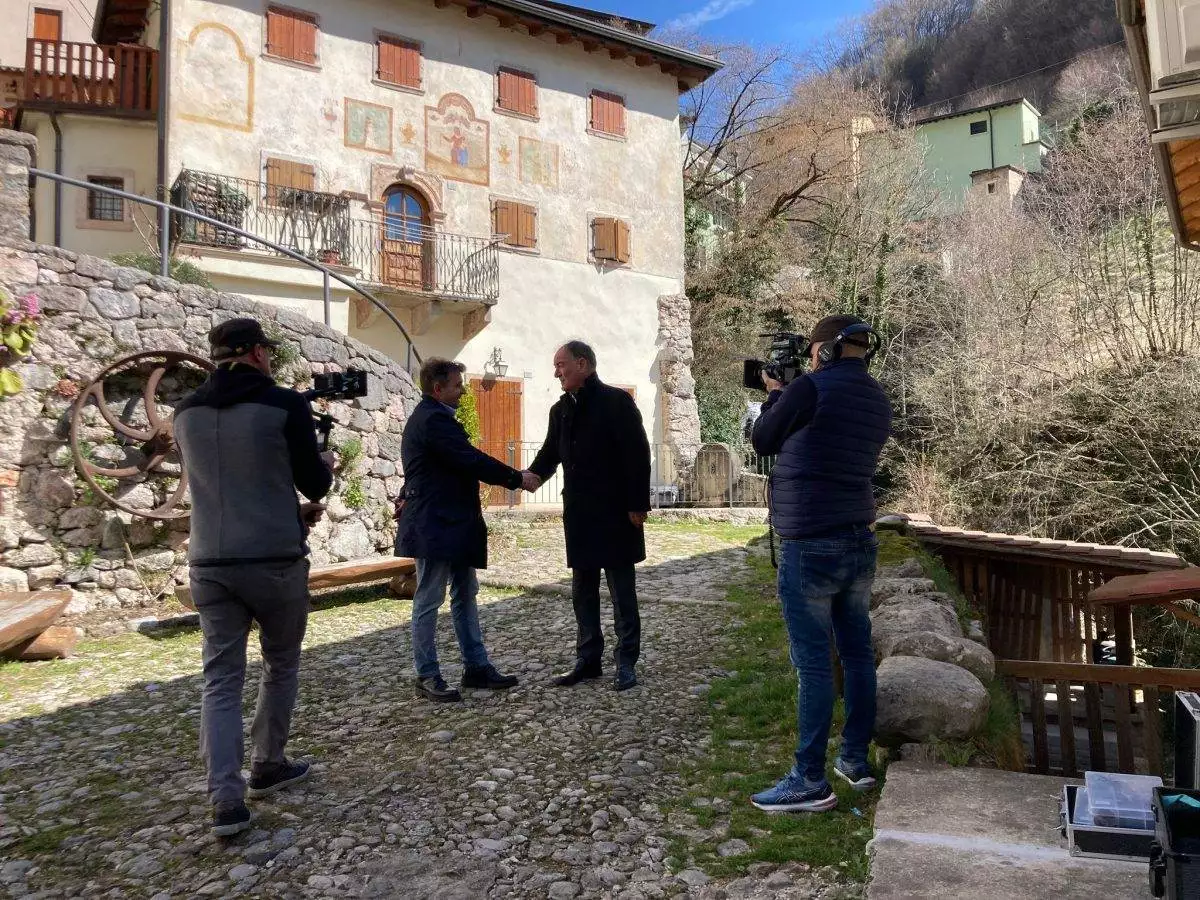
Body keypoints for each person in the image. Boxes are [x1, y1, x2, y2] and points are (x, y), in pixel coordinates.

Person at [173, 317, 335, 837]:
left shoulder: (184, 413)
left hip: (210, 562)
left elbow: (226, 481)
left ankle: (225, 799)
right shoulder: (284, 404)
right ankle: (268, 764)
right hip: (273, 558)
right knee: (280, 663)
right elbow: (313, 481)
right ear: (258, 354)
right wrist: (325, 460)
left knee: (220, 679)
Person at [748, 314, 892, 814]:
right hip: (859, 536)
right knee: (855, 653)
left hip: (811, 540)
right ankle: (854, 760)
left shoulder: (809, 388)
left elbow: (763, 440)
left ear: (824, 350)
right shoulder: (878, 397)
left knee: (812, 663)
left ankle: (809, 779)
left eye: (812, 352)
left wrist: (775, 394)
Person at [524, 341, 651, 692]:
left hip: (616, 514)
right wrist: (528, 478)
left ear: (583, 364)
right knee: (583, 591)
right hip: (579, 515)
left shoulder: (616, 402)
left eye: (560, 364)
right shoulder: (559, 410)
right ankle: (588, 659)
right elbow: (551, 453)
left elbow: (637, 455)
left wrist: (637, 504)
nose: (556, 372)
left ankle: (626, 662)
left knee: (622, 592)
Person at [395, 358, 525, 703]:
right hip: (436, 524)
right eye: (457, 384)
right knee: (429, 598)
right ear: (438, 388)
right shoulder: (433, 420)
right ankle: (427, 674)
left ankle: (476, 666)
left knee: (465, 593)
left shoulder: (435, 418)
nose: (463, 390)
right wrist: (516, 478)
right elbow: (470, 459)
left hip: (452, 523)